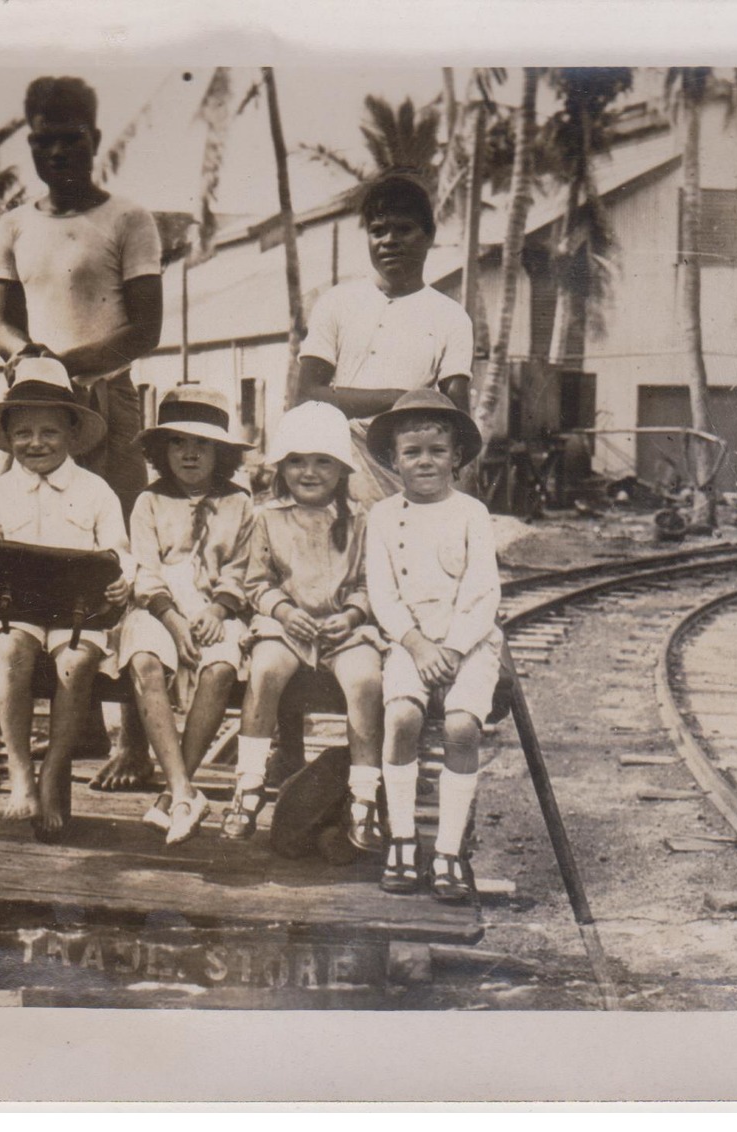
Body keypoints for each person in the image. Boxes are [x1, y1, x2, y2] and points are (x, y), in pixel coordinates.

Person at [0, 74, 164, 792]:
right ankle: (77, 715)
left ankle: (134, 744)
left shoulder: (129, 219)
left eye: (70, 139)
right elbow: (3, 319)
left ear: (94, 140)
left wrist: (67, 366)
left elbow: (144, 329)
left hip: (109, 403)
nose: (56, 152)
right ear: (30, 144)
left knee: (113, 564)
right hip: (36, 405)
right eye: (42, 141)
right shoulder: (13, 223)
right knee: (33, 553)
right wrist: (28, 363)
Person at [0, 359, 133, 842]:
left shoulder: (96, 491)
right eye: (24, 434)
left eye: (50, 432)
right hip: (18, 609)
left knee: (76, 663)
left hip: (79, 612)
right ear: (8, 438)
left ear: (72, 435)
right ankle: (19, 770)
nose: (37, 443)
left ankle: (53, 772)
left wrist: (123, 580)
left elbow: (120, 550)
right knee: (11, 650)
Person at [224, 402, 387, 849]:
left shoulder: (360, 521)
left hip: (343, 629)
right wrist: (282, 611)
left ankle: (363, 799)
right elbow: (257, 581)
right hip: (287, 628)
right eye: (296, 461)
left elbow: (369, 583)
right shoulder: (268, 517)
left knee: (366, 680)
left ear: (341, 469)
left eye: (322, 462)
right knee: (265, 669)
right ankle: (250, 782)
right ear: (280, 467)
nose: (308, 472)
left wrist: (351, 615)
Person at [363, 388, 501, 903]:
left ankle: (447, 850)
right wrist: (419, 646)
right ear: (394, 461)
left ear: (456, 458)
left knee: (463, 727)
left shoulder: (471, 514)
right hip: (411, 642)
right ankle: (402, 839)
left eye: (436, 452)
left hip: (468, 643)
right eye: (412, 452)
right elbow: (383, 594)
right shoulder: (381, 517)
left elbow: (483, 590)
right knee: (402, 718)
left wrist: (457, 647)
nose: (425, 462)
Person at [119, 387, 255, 846]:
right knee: (143, 659)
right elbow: (144, 570)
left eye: (203, 445)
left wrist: (220, 608)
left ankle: (173, 794)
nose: (190, 454)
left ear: (222, 453)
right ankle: (182, 792)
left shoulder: (240, 503)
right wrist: (173, 621)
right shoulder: (148, 502)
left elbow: (242, 566)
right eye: (178, 443)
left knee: (220, 666)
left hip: (215, 608)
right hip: (158, 608)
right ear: (162, 450)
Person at [297, 171, 475, 507]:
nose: (389, 240)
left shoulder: (450, 316)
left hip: (408, 469)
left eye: (403, 229)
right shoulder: (337, 302)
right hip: (340, 460)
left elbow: (457, 417)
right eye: (378, 231)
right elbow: (306, 395)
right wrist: (398, 398)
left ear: (429, 236)